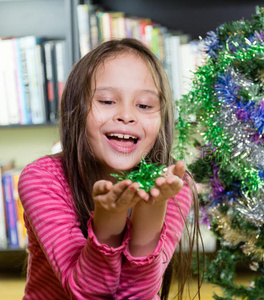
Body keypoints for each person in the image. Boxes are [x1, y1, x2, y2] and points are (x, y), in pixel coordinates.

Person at [18, 38, 202, 300]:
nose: (127, 115)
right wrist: (109, 221)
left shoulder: (173, 187)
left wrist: (151, 209)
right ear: (75, 111)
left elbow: (137, 295)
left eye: (144, 105)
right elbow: (86, 293)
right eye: (106, 101)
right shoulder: (44, 179)